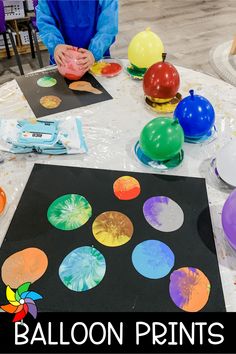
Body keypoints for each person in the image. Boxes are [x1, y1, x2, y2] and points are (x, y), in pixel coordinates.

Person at [36, 0, 118, 71]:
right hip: (63, 60)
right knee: (62, 88)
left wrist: (94, 52)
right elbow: (45, 21)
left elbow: (108, 25)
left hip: (96, 60)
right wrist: (55, 45)